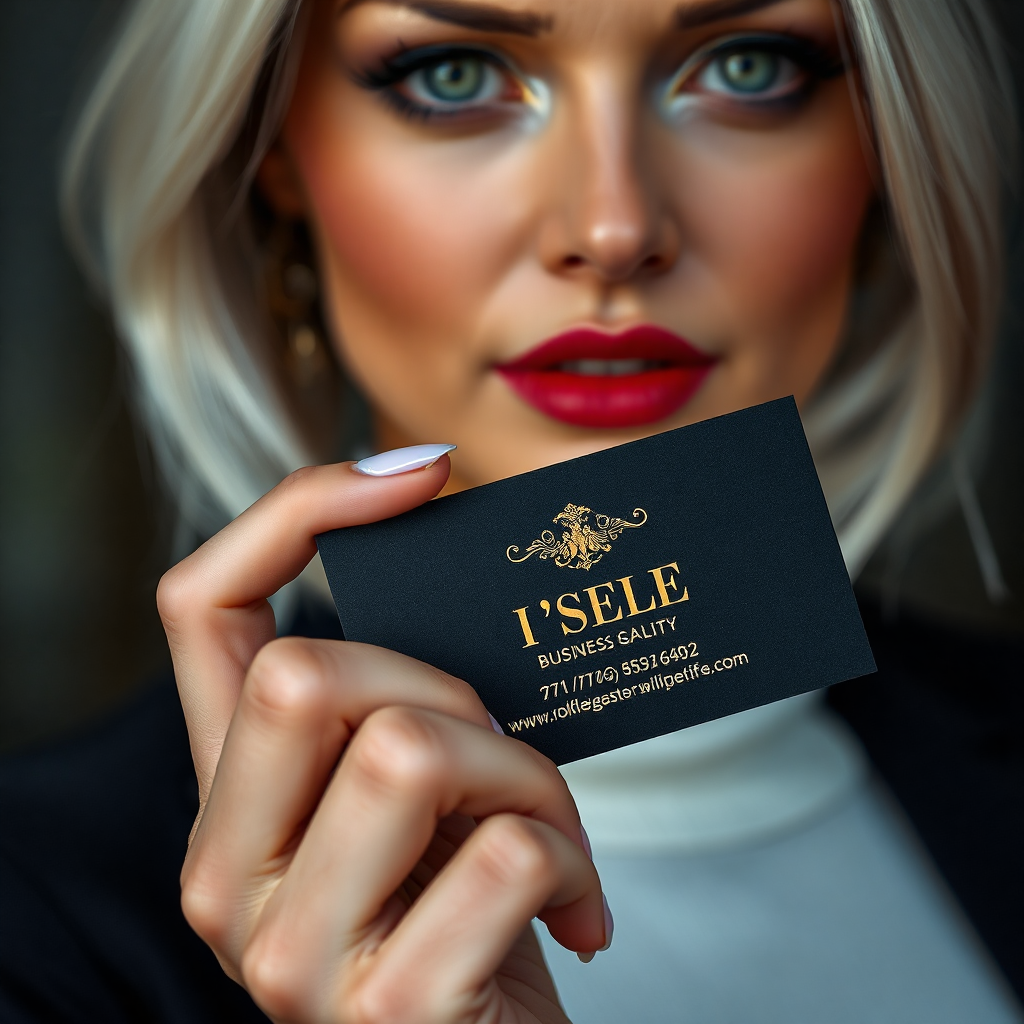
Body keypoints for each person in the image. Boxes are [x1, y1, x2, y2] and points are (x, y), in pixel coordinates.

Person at [0, 0, 1020, 1021]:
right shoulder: (36, 929)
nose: (612, 229)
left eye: (749, 67)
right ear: (273, 157)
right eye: (453, 75)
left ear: (884, 144)